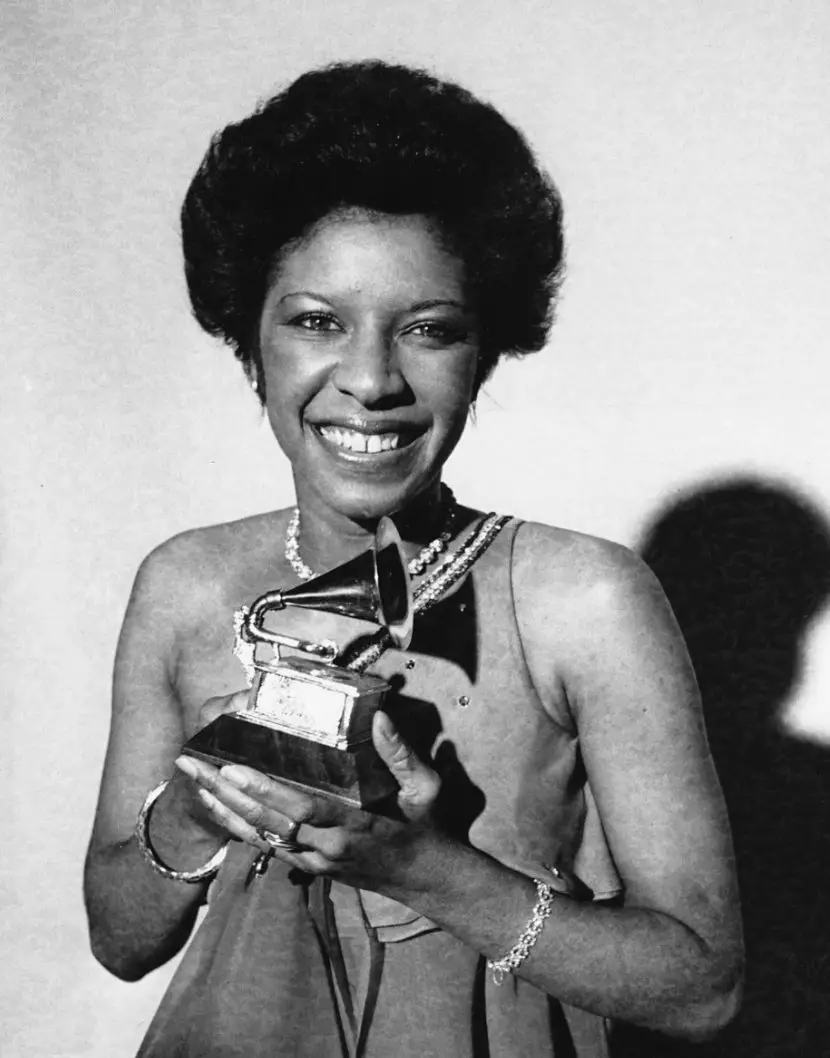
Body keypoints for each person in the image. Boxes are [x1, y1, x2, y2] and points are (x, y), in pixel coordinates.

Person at [83, 61, 743, 1057]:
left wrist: (422, 869)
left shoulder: (579, 598)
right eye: (315, 321)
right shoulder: (185, 586)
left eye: (429, 329)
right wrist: (192, 809)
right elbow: (120, 938)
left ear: (483, 353)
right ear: (247, 338)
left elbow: (701, 988)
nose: (369, 379)